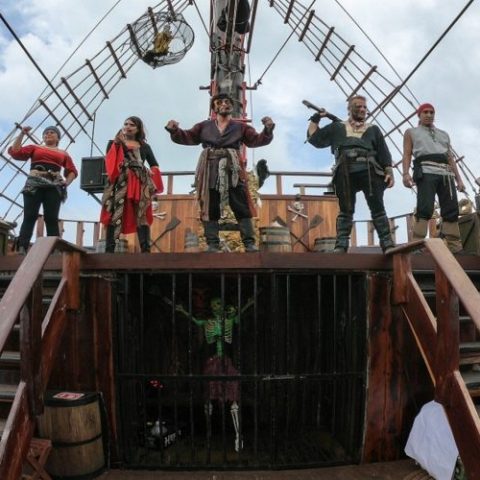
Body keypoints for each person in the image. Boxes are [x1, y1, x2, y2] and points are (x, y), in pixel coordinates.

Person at [165, 93, 274, 252]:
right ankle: (212, 244)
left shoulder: (241, 127)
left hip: (233, 168)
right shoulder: (204, 126)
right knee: (210, 205)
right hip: (210, 168)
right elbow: (187, 136)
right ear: (214, 108)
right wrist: (174, 130)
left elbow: (256, 140)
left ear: (231, 106)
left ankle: (249, 243)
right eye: (219, 102)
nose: (224, 104)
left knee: (241, 203)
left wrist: (268, 130)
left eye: (227, 102)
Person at [307, 95, 395, 253]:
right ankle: (341, 245)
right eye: (358, 106)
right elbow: (315, 139)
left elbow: (384, 153)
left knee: (377, 207)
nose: (362, 109)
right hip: (345, 169)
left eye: (364, 107)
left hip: (370, 169)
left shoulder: (373, 129)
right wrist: (315, 119)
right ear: (349, 109)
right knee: (346, 209)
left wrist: (389, 171)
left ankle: (387, 243)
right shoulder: (337, 127)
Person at [402, 103, 465, 253]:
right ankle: (416, 245)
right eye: (425, 112)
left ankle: (455, 246)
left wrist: (459, 180)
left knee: (451, 209)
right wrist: (405, 173)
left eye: (431, 112)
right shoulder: (411, 132)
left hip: (446, 174)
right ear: (419, 114)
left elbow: (450, 158)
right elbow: (407, 154)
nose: (429, 115)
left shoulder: (443, 134)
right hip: (425, 171)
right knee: (425, 207)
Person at [8, 125, 78, 254]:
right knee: (30, 215)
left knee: (51, 217)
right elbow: (16, 152)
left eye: (52, 132)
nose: (48, 134)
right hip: (34, 184)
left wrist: (66, 183)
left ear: (58, 138)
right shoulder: (35, 148)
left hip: (54, 186)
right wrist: (22, 134)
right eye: (46, 133)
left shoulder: (63, 153)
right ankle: (22, 246)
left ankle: (54, 248)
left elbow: (72, 171)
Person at [100, 116, 163, 253]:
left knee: (142, 213)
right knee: (113, 213)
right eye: (126, 124)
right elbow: (110, 161)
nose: (128, 126)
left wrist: (151, 175)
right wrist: (118, 144)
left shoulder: (145, 147)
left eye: (132, 125)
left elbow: (154, 165)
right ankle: (109, 250)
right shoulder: (113, 143)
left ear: (138, 129)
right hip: (118, 181)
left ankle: (145, 250)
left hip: (139, 182)